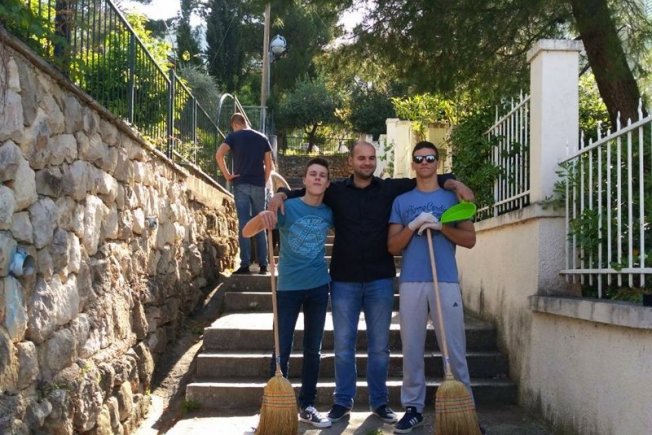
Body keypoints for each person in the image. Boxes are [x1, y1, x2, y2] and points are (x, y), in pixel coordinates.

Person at [269, 141, 474, 424]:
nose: (367, 162)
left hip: (380, 279)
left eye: (371, 158)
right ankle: (342, 401)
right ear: (350, 161)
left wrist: (453, 182)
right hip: (344, 279)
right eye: (361, 158)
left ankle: (380, 402)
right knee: (343, 346)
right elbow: (308, 190)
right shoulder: (336, 191)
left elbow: (427, 176)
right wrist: (281, 194)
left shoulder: (389, 189)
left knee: (380, 347)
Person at [387, 141, 476, 433]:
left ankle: (465, 411)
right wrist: (412, 226)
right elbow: (392, 246)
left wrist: (442, 228)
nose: (424, 162)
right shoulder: (402, 202)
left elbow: (470, 239)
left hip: (446, 281)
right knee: (412, 348)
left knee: (454, 348)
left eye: (430, 158)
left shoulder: (452, 199)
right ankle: (413, 408)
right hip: (412, 281)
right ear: (413, 164)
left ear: (438, 162)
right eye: (419, 158)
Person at [243, 158, 334, 428]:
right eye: (312, 174)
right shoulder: (287, 207)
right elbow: (247, 232)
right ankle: (272, 409)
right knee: (281, 347)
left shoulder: (330, 212)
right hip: (288, 288)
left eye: (322, 175)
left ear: (328, 183)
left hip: (319, 287)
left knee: (313, 349)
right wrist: (261, 217)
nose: (317, 178)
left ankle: (308, 405)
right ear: (304, 180)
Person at [215, 112, 274, 274]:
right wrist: (263, 181)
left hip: (240, 184)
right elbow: (269, 165)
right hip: (258, 185)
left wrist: (228, 175)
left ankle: (245, 264)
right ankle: (263, 264)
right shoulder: (262, 138)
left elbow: (219, 155)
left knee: (244, 223)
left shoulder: (233, 137)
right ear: (245, 122)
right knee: (261, 223)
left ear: (235, 124)